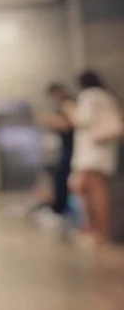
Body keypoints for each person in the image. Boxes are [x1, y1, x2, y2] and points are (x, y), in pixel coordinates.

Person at [64, 71, 121, 244]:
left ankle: (98, 232)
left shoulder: (89, 96)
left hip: (92, 151)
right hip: (104, 150)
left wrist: (69, 109)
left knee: (94, 190)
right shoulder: (107, 96)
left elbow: (82, 120)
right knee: (95, 189)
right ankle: (99, 231)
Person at [39, 83, 75, 218]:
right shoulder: (63, 106)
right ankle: (59, 208)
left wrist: (53, 121)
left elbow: (70, 125)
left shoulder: (69, 104)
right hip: (65, 148)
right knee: (59, 179)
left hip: (72, 149)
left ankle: (62, 209)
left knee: (63, 179)